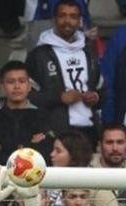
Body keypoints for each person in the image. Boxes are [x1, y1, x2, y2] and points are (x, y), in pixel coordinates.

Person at [27, 0, 102, 138]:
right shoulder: (39, 54)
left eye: (73, 17)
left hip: (90, 131)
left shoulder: (88, 50)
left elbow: (103, 89)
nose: (67, 21)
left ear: (80, 20)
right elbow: (29, 95)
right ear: (54, 19)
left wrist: (96, 97)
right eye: (62, 15)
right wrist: (60, 97)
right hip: (56, 132)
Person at [0, 60, 53, 164]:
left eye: (22, 81)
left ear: (29, 86)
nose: (17, 86)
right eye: (11, 82)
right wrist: (30, 145)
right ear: (2, 87)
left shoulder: (44, 118)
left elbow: (48, 154)